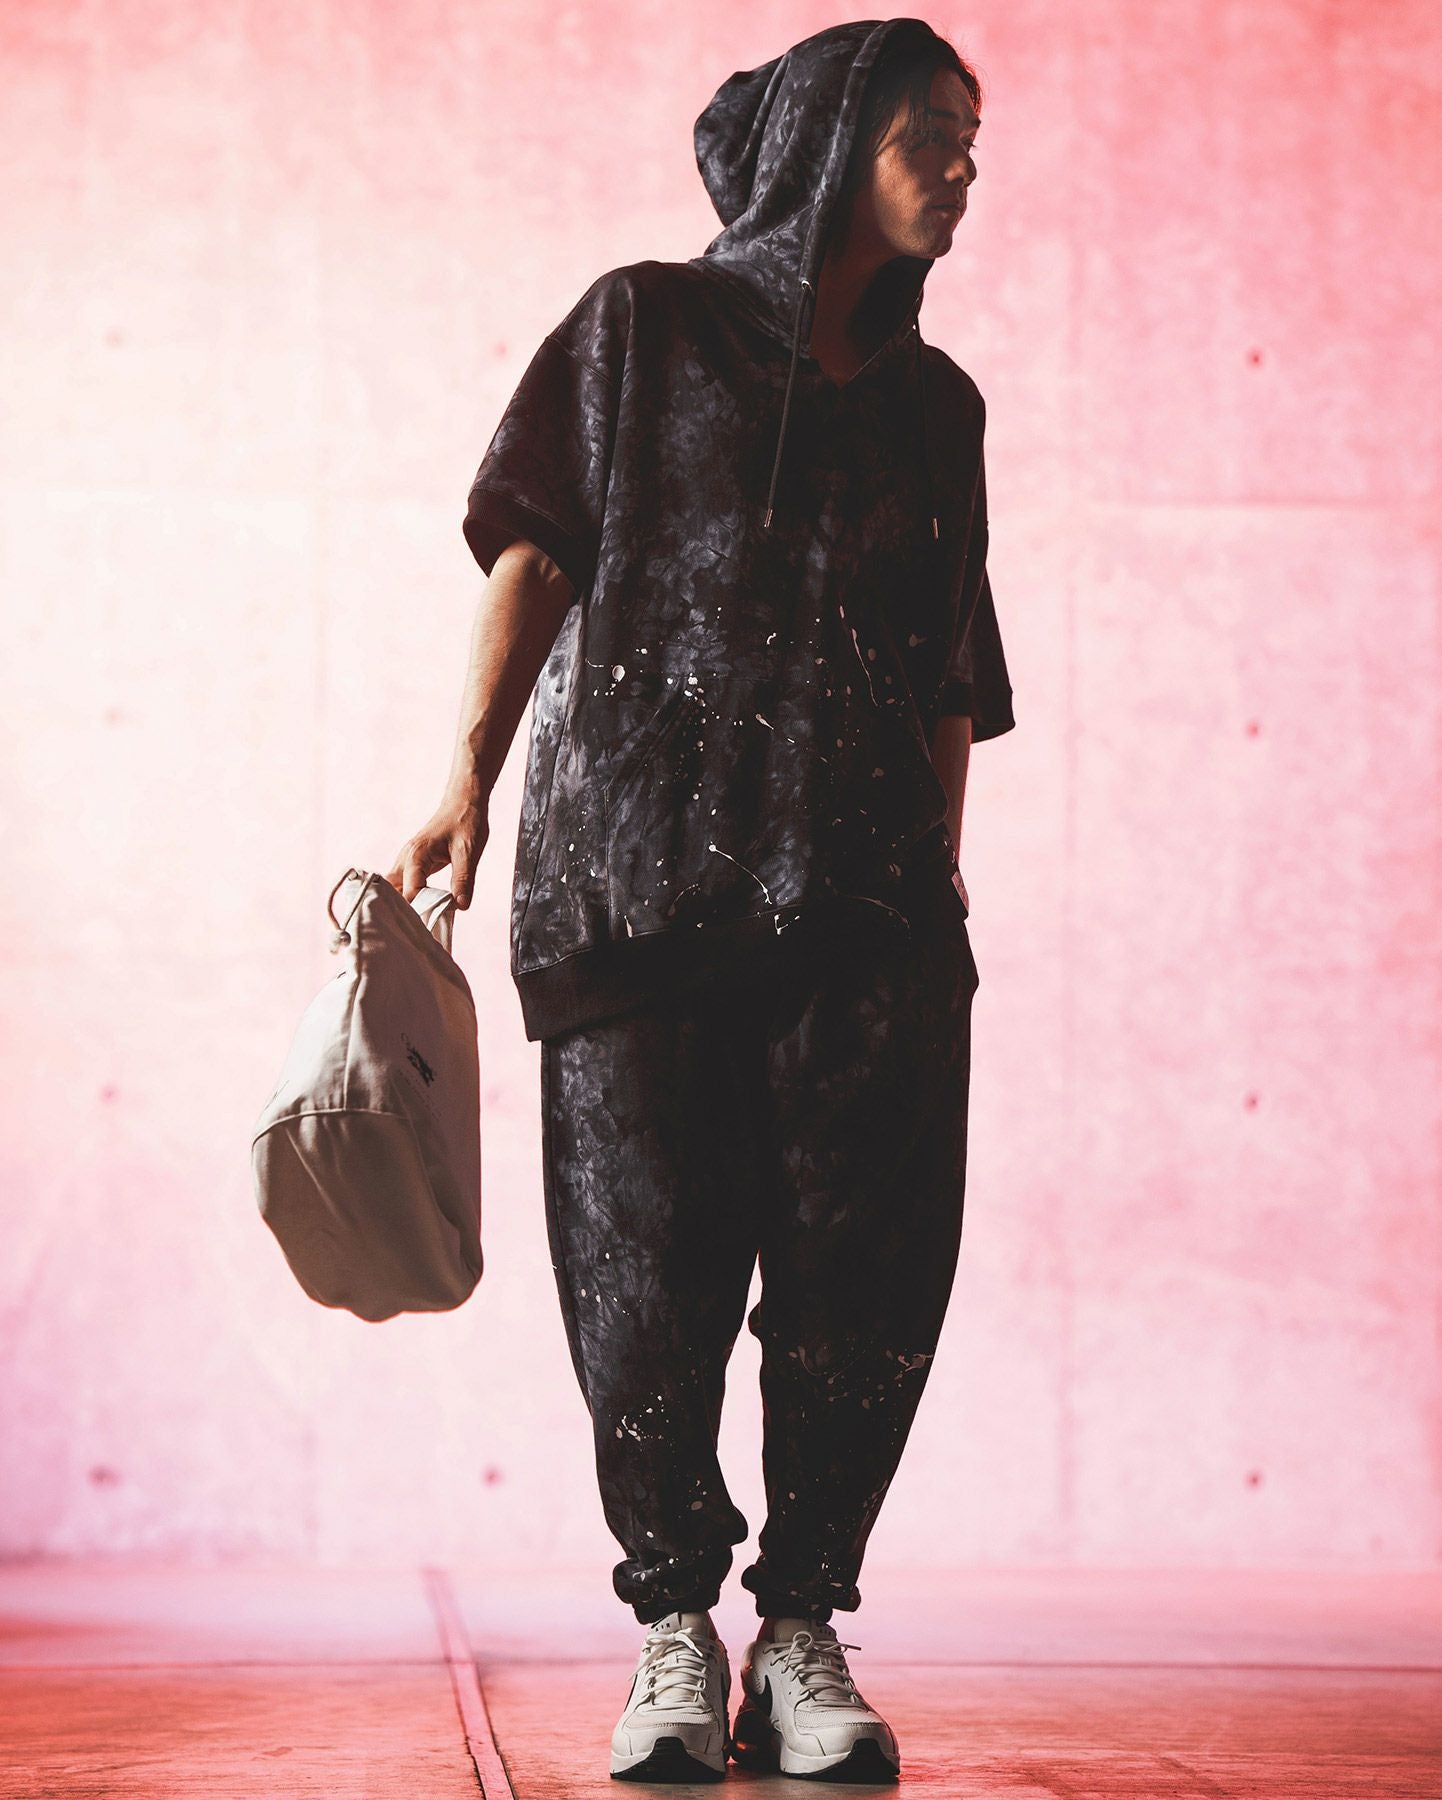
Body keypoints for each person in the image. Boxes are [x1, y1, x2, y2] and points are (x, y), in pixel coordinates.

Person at [388, 17, 1014, 1784]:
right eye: (931, 132)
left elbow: (950, 669)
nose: (965, 166)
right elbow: (537, 549)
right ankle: (674, 1623)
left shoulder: (941, 409)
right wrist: (466, 782)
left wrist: (935, 887)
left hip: (870, 923)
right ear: (828, 140)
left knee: (863, 1287)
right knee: (642, 1284)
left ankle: (801, 1625)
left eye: (974, 137)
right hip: (632, 897)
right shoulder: (639, 329)